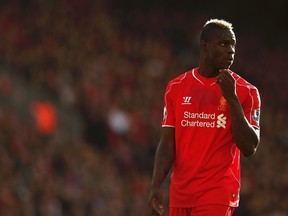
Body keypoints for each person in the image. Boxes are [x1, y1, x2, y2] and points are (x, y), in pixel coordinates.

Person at [148, 19, 261, 216]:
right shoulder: (176, 87)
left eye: (233, 45)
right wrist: (156, 184)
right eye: (223, 44)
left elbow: (249, 147)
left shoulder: (246, 92)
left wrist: (232, 99)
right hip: (180, 193)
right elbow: (167, 143)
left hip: (217, 193)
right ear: (204, 46)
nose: (230, 50)